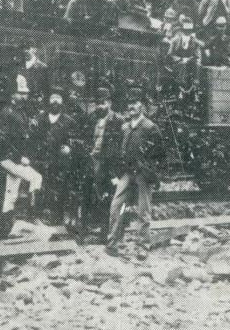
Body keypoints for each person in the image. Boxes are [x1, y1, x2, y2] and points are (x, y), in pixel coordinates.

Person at [106, 88, 163, 254]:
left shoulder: (150, 127)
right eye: (129, 103)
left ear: (142, 106)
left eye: (135, 103)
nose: (132, 106)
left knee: (143, 211)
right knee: (117, 206)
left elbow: (159, 154)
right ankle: (113, 244)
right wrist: (118, 172)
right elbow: (119, 151)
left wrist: (151, 172)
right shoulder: (125, 127)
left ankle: (142, 246)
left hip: (143, 175)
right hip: (126, 173)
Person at [0, 77, 46, 234]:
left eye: (25, 93)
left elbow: (23, 137)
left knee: (11, 191)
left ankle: (7, 226)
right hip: (8, 158)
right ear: (12, 95)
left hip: (14, 158)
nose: (24, 96)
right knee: (35, 178)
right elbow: (3, 140)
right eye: (20, 93)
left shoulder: (21, 112)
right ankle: (32, 216)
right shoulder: (6, 113)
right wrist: (19, 158)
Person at [44, 92, 90, 235]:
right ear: (48, 102)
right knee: (44, 188)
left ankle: (58, 217)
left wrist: (69, 147)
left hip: (61, 162)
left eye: (58, 99)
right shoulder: (41, 119)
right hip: (43, 160)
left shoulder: (69, 121)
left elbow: (76, 140)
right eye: (52, 98)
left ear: (62, 102)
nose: (55, 101)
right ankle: (42, 216)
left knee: (61, 188)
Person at [85, 87, 121, 241]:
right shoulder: (91, 118)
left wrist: (114, 172)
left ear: (110, 103)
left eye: (103, 103)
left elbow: (119, 149)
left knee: (107, 198)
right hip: (91, 161)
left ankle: (106, 233)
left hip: (107, 164)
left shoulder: (117, 120)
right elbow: (86, 138)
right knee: (89, 194)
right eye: (97, 103)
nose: (100, 106)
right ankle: (86, 228)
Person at [167, 16, 202, 91]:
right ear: (182, 30)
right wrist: (181, 59)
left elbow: (198, 56)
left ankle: (195, 85)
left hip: (190, 62)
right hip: (177, 64)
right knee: (182, 64)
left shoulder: (195, 42)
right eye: (186, 31)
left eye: (189, 31)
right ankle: (181, 86)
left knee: (197, 65)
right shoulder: (175, 40)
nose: (187, 33)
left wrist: (191, 60)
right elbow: (170, 54)